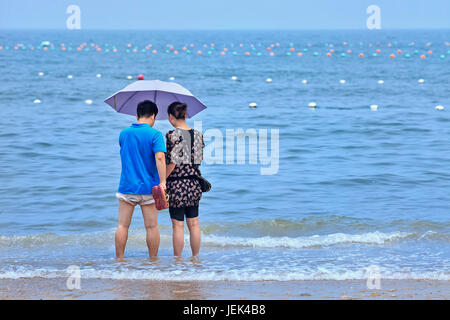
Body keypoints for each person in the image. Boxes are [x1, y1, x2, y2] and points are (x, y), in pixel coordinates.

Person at [115, 100, 167, 259]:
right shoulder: (155, 134)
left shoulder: (124, 134)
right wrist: (163, 182)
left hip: (127, 186)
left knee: (122, 226)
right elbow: (159, 158)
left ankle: (119, 260)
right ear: (153, 116)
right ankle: (152, 261)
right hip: (149, 188)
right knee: (151, 227)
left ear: (137, 115)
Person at [165, 102, 205, 257]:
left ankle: (178, 261)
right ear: (185, 115)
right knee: (194, 224)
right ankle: (195, 258)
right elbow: (199, 160)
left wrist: (162, 180)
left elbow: (173, 162)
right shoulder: (198, 135)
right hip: (194, 184)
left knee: (178, 226)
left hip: (177, 185)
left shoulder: (171, 135)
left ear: (170, 116)